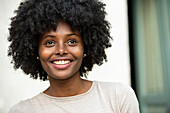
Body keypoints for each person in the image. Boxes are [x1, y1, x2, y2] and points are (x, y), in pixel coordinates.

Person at [8, 0, 140, 112]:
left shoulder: (118, 97)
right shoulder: (23, 110)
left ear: (86, 47)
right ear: (34, 50)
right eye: (49, 42)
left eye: (72, 41)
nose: (61, 50)